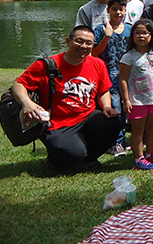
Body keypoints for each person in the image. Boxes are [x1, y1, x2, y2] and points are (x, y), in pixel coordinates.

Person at [11, 26, 121, 169]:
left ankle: (90, 158)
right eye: (79, 41)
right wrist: (27, 103)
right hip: (58, 123)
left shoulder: (97, 64)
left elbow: (103, 90)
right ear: (68, 41)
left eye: (89, 43)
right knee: (73, 154)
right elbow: (19, 84)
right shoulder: (48, 65)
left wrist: (107, 107)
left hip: (87, 116)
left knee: (112, 123)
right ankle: (57, 157)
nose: (84, 46)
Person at [119, 18, 153, 170]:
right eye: (137, 33)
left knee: (152, 128)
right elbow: (123, 80)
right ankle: (138, 158)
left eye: (144, 33)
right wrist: (126, 100)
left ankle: (150, 154)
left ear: (151, 35)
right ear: (132, 36)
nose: (141, 36)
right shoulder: (128, 57)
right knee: (138, 130)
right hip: (137, 100)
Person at [92, 0, 132, 157]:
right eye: (114, 9)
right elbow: (94, 53)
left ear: (125, 11)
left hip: (128, 77)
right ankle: (116, 142)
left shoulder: (130, 29)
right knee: (115, 108)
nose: (118, 13)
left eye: (121, 9)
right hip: (108, 77)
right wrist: (107, 36)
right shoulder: (100, 30)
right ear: (108, 10)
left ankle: (123, 138)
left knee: (127, 107)